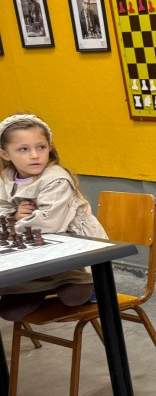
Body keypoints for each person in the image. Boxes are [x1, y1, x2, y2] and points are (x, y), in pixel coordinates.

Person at [0, 114, 106, 321]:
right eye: (23, 149)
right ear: (5, 154)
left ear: (49, 147)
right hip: (30, 248)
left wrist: (11, 227)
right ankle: (39, 286)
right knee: (9, 313)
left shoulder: (56, 178)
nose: (34, 155)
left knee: (74, 297)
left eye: (41, 147)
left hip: (69, 245)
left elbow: (48, 223)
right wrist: (13, 214)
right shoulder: (6, 177)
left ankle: (88, 284)